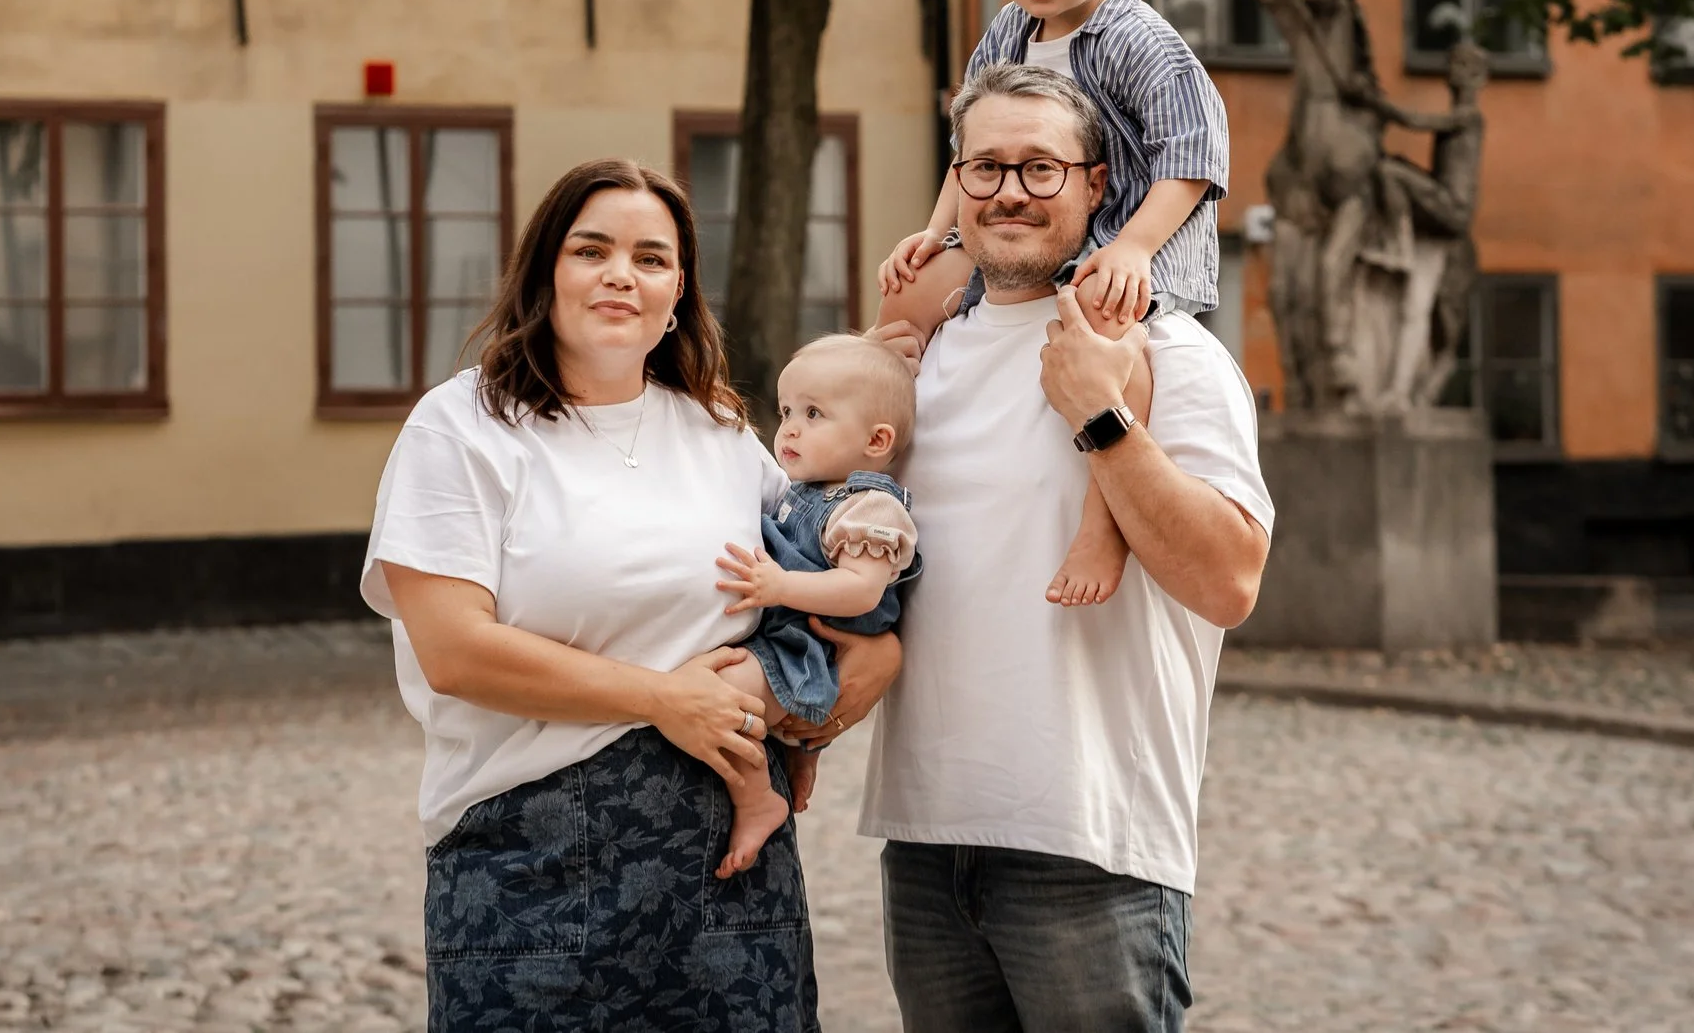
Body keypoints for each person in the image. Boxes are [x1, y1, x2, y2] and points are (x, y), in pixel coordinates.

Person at [359, 158, 827, 1032]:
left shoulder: (723, 434)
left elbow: (826, 597)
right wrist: (662, 697)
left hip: (725, 860)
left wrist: (806, 713)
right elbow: (455, 650)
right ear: (547, 270)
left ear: (678, 289)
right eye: (592, 249)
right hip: (527, 861)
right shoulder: (462, 427)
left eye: (652, 258)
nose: (623, 273)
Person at [862, 63, 1271, 1033]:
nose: (1009, 188)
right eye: (986, 165)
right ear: (955, 181)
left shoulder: (1170, 354)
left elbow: (1227, 579)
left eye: (1041, 168)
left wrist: (1103, 418)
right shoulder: (912, 369)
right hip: (923, 840)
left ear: (1096, 184)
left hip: (1092, 850)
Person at [876, 0, 1229, 608]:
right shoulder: (1007, 32)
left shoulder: (1144, 43)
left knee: (1110, 331)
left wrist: (1135, 247)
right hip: (1029, 217)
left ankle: (1101, 523)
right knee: (908, 287)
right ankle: (883, 460)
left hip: (1141, 229)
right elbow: (967, 144)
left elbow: (1195, 157)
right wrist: (938, 231)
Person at [708, 332, 922, 878]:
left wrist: (778, 587)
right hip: (787, 632)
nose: (791, 428)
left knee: (721, 697)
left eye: (814, 413)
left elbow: (861, 590)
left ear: (877, 440)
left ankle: (758, 797)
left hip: (811, 645)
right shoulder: (799, 491)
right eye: (785, 412)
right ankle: (800, 756)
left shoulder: (869, 508)